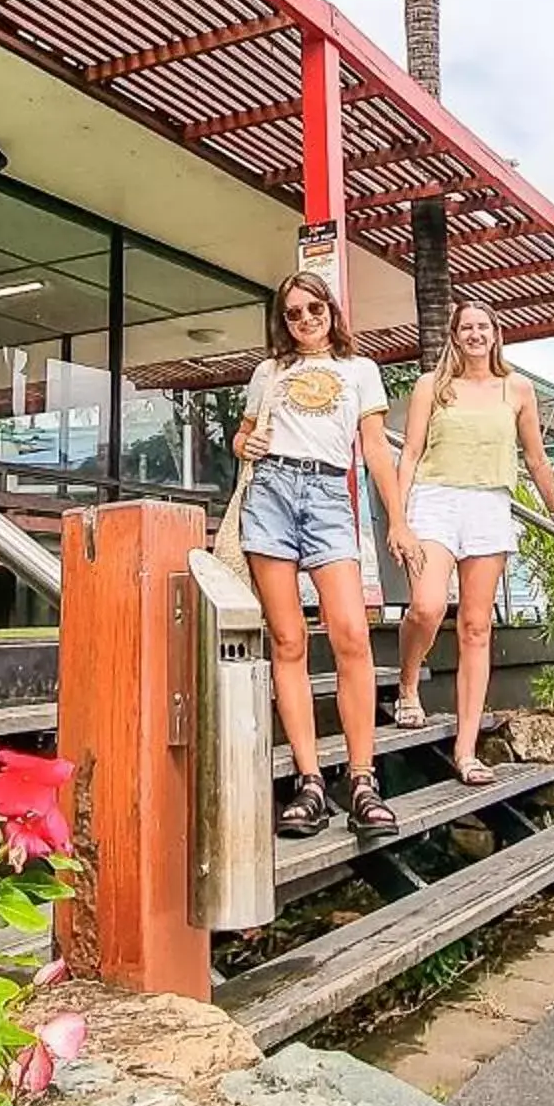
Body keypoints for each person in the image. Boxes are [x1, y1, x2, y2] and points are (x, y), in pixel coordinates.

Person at [236, 271, 417, 840]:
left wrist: (398, 521)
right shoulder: (269, 373)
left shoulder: (359, 371)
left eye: (315, 308)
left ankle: (362, 780)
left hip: (328, 494)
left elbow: (374, 453)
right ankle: (309, 781)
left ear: (331, 311)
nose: (306, 320)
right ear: (282, 321)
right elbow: (242, 438)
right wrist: (247, 444)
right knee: (287, 641)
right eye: (293, 313)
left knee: (350, 635)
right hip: (270, 493)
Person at [390, 297, 554, 782]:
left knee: (477, 627)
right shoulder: (431, 386)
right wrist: (399, 519)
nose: (475, 334)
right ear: (454, 336)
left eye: (483, 326)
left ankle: (467, 749)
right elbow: (409, 453)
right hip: (435, 499)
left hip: (489, 505)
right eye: (466, 327)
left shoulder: (517, 389)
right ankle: (408, 682)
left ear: (496, 334)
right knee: (428, 607)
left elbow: (536, 460)